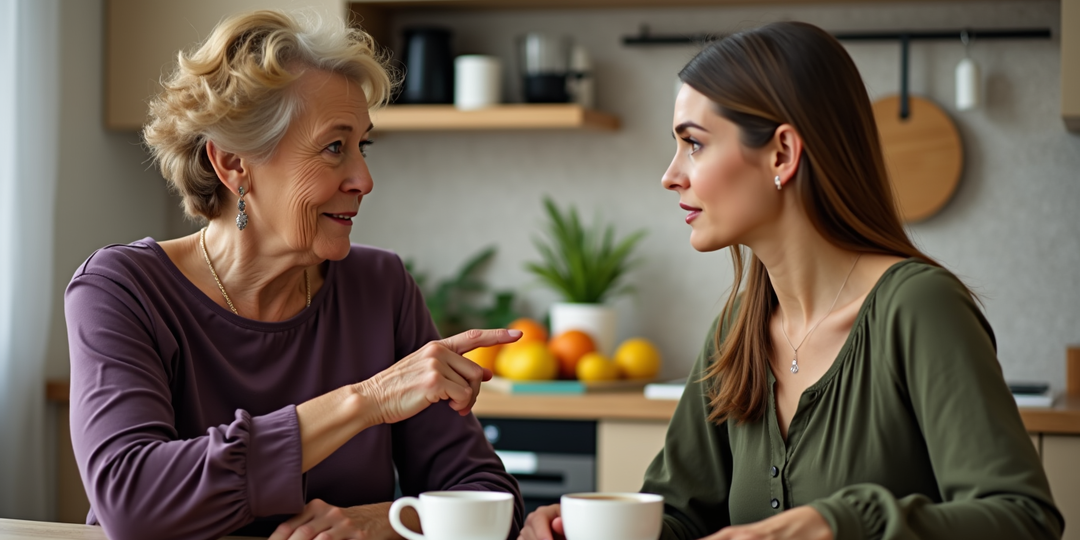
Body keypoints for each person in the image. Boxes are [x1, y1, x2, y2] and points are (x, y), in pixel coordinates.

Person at [520, 21, 1063, 540]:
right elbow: (687, 517)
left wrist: (841, 524)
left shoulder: (918, 307)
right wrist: (589, 528)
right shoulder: (736, 330)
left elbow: (1022, 520)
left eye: (695, 143)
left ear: (781, 152)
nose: (671, 174)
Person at [64, 10, 524, 540]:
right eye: (335, 147)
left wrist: (378, 524)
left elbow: (490, 501)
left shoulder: (381, 286)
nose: (364, 179)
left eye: (363, 146)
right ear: (234, 164)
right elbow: (132, 501)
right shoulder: (123, 289)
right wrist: (365, 401)